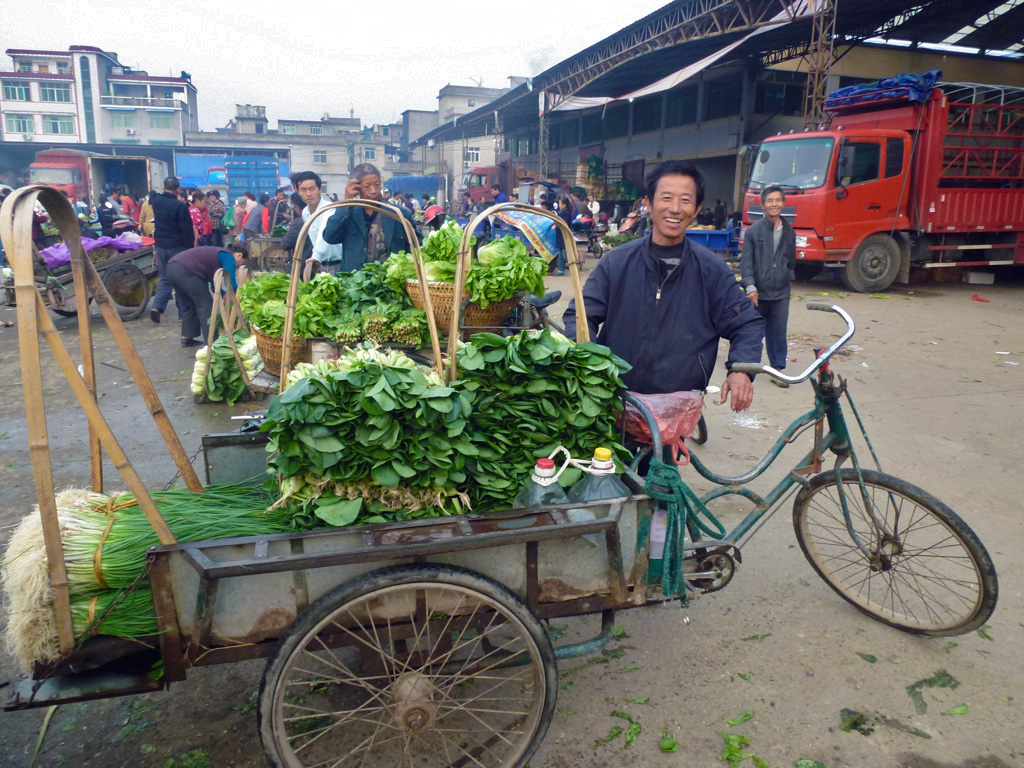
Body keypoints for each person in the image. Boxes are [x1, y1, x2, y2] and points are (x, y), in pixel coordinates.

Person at [563, 160, 763, 412]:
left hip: (676, 406)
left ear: (697, 208)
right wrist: (587, 363)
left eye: (686, 200)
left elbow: (746, 323)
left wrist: (741, 369)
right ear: (649, 203)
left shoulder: (711, 270)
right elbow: (581, 315)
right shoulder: (617, 262)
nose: (675, 209)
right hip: (614, 398)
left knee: (665, 453)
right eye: (666, 198)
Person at [741, 185, 795, 387]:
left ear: (783, 203)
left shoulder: (789, 231)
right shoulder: (753, 232)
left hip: (781, 292)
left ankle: (777, 369)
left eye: (778, 200)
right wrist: (750, 286)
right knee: (751, 330)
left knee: (778, 331)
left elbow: (791, 259)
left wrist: (787, 275)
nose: (775, 204)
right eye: (770, 200)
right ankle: (744, 365)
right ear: (763, 205)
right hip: (758, 291)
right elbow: (746, 262)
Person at [321, 163, 416, 272]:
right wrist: (346, 203)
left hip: (390, 284)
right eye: (367, 186)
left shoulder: (399, 214)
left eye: (377, 184)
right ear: (357, 187)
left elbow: (416, 247)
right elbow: (329, 237)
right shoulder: (347, 213)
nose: (373, 190)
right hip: (354, 285)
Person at [167, 244, 248, 347]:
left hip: (172, 268)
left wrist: (224, 297)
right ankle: (212, 342)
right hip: (186, 271)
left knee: (189, 305)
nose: (238, 267)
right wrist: (238, 297)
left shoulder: (217, 255)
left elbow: (216, 285)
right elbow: (229, 280)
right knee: (206, 306)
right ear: (239, 255)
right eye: (240, 264)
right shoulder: (228, 256)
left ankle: (187, 338)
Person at [150, 176, 195, 324]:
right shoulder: (180, 206)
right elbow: (186, 230)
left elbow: (152, 198)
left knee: (165, 278)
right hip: (177, 247)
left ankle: (157, 306)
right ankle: (183, 315)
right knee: (180, 280)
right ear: (177, 190)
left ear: (164, 188)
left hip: (161, 246)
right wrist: (189, 248)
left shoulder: (156, 203)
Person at [291, 170, 343, 271]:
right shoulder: (305, 212)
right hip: (322, 265)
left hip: (338, 264)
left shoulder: (329, 208)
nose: (308, 194)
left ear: (320, 189)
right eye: (303, 190)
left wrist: (316, 256)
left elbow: (323, 234)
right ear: (298, 192)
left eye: (312, 189)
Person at [279, 190, 313, 263]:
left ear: (296, 206)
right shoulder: (314, 217)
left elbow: (285, 244)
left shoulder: (300, 222)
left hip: (302, 263)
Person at [554, 197, 573, 276]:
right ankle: (561, 270)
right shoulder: (561, 212)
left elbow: (563, 224)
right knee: (561, 254)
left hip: (564, 236)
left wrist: (555, 227)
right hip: (560, 236)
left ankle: (575, 265)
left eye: (560, 203)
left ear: (564, 205)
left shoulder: (566, 213)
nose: (559, 205)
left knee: (565, 254)